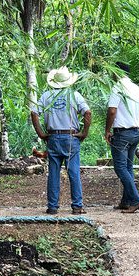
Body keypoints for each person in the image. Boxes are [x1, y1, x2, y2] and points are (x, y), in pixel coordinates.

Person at [31, 66, 91, 215]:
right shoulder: (74, 95)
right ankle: (77, 206)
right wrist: (84, 132)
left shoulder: (46, 96)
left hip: (53, 137)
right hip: (70, 137)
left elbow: (34, 112)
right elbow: (87, 112)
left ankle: (52, 206)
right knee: (73, 172)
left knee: (53, 172)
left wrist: (41, 134)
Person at [104, 62, 139, 213]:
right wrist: (136, 127)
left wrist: (107, 130)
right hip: (135, 132)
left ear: (117, 72)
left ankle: (136, 200)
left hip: (122, 133)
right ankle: (126, 201)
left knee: (120, 167)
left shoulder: (118, 88)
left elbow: (112, 111)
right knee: (128, 167)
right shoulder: (138, 90)